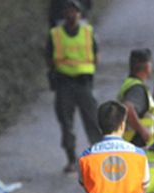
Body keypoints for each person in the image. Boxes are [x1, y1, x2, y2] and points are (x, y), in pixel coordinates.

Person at [47, 0, 100, 173]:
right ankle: (71, 159)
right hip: (64, 84)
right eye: (68, 11)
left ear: (80, 13)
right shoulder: (55, 34)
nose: (71, 14)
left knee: (93, 122)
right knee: (66, 124)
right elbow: (49, 57)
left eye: (74, 11)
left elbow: (95, 54)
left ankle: (98, 157)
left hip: (84, 83)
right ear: (63, 13)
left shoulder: (87, 32)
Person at [118, 49, 154, 148]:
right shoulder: (137, 88)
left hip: (130, 143)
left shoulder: (128, 84)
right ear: (147, 66)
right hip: (137, 143)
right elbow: (128, 108)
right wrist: (143, 131)